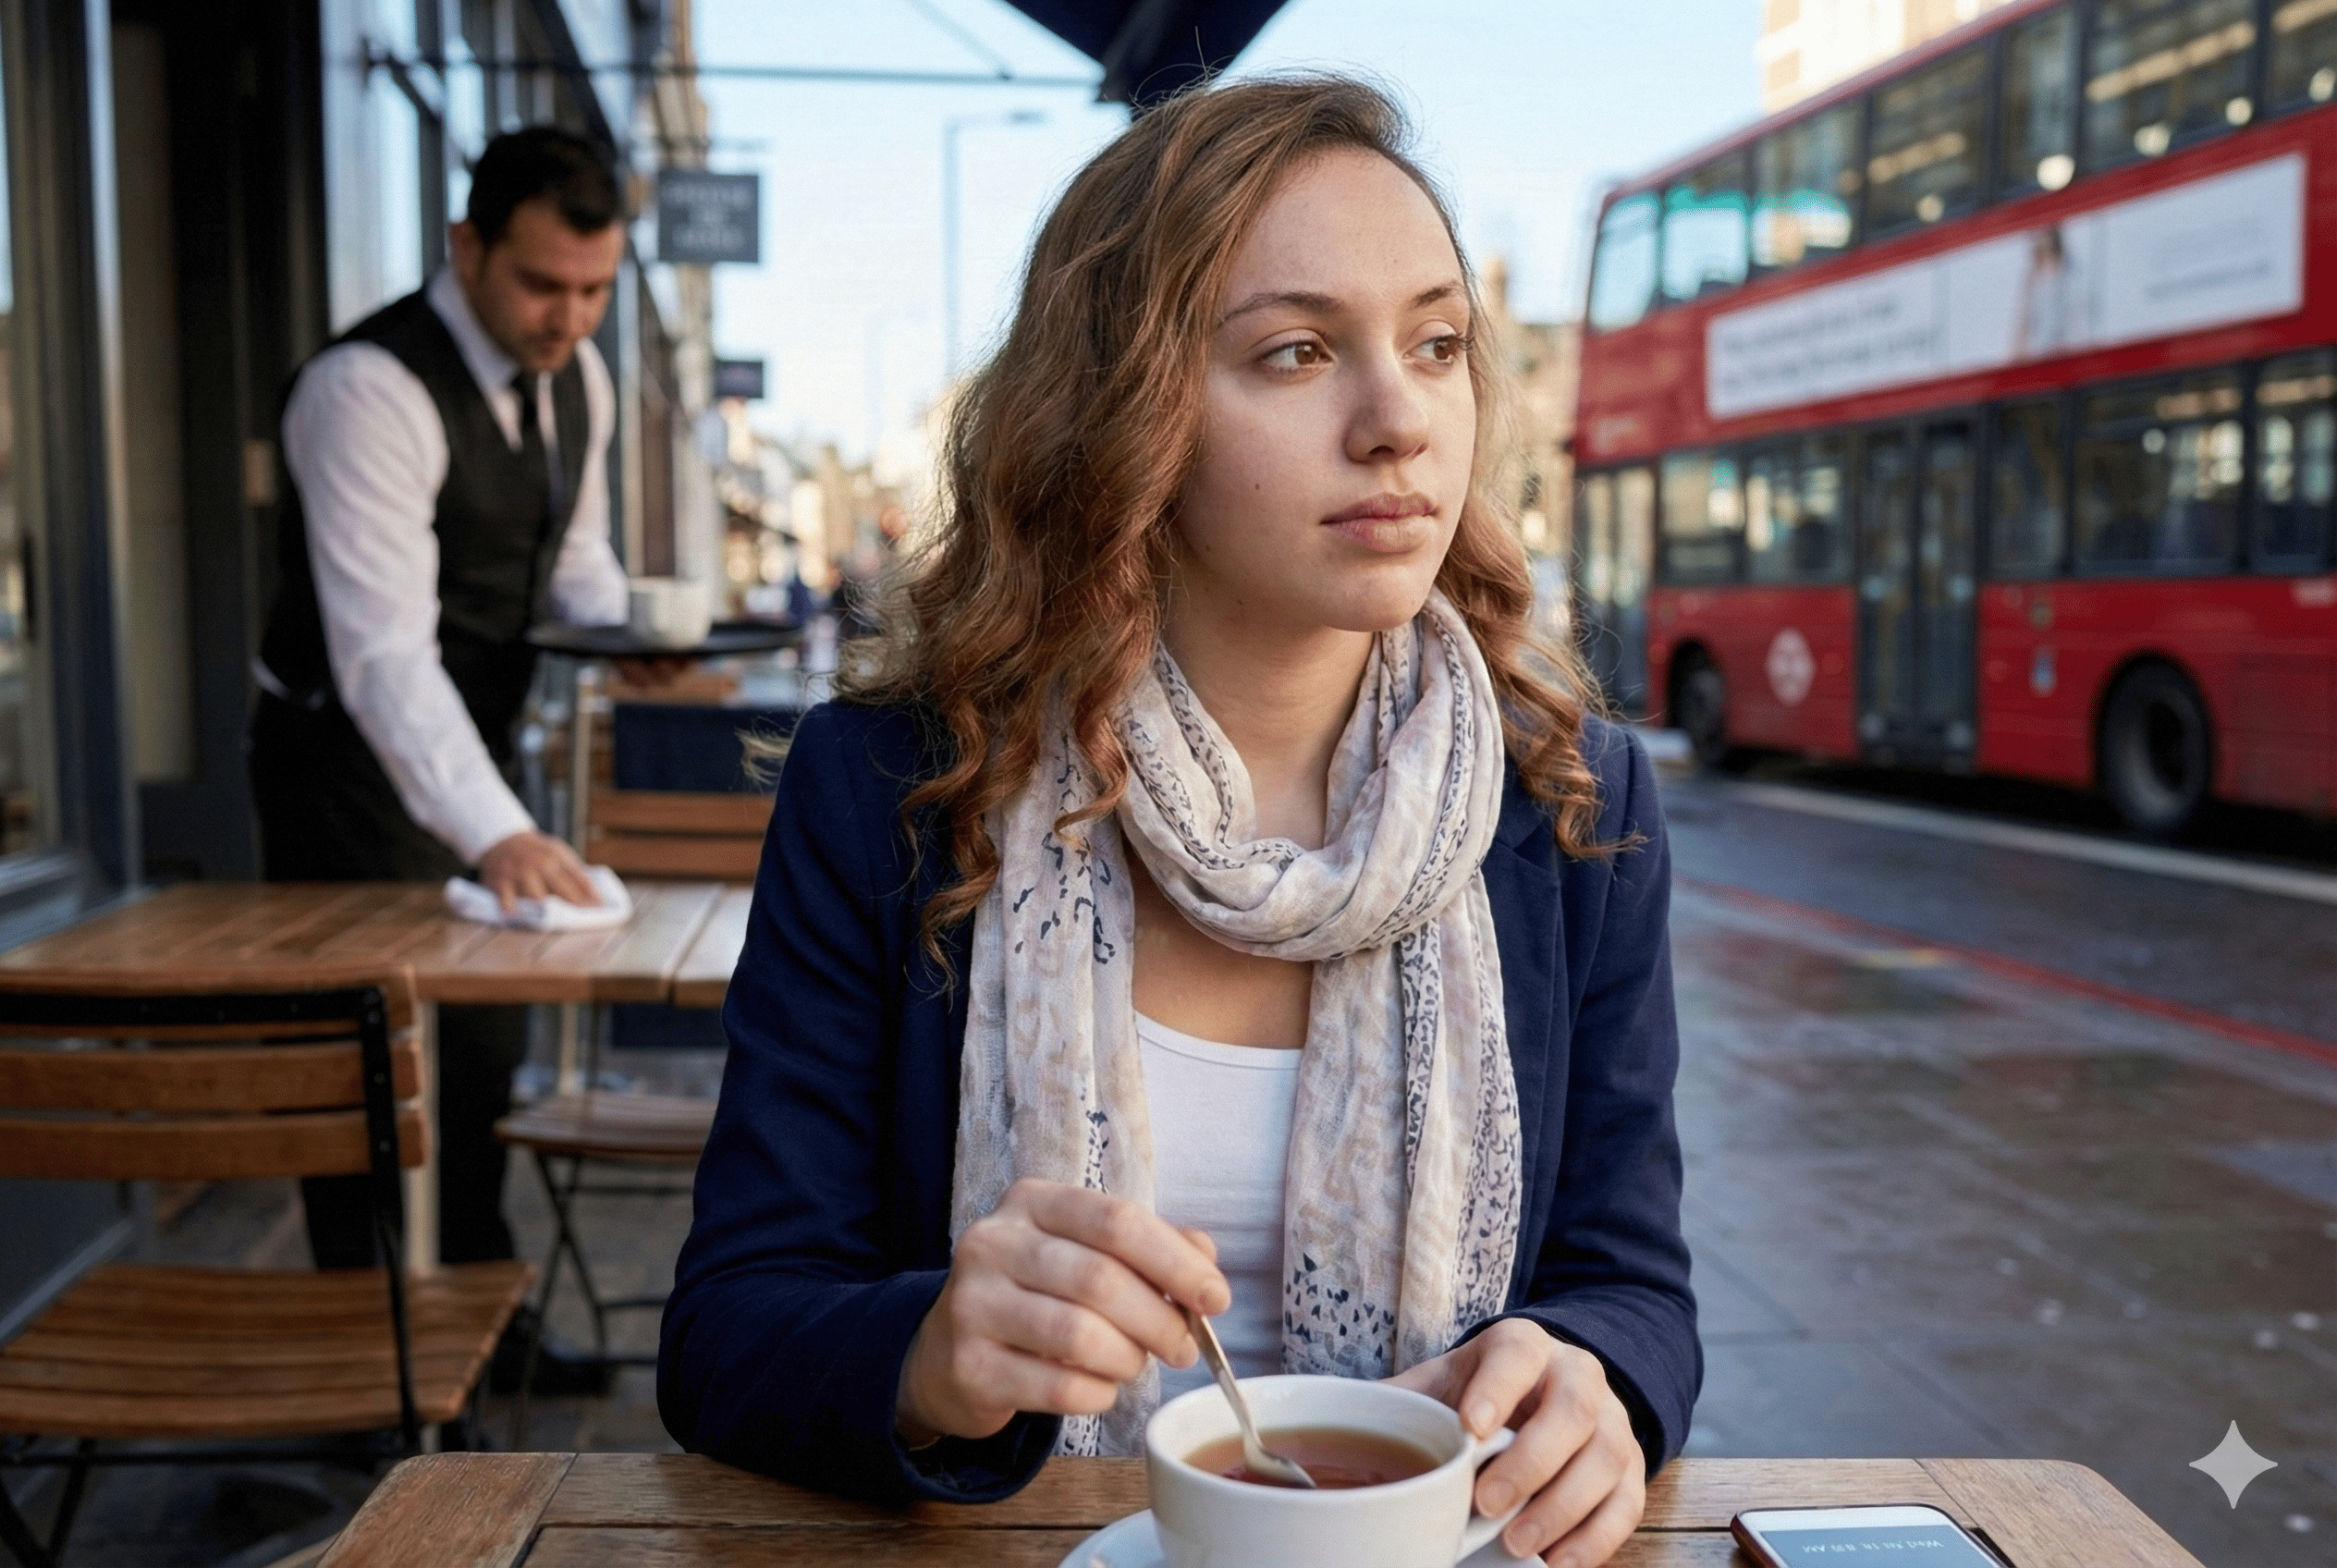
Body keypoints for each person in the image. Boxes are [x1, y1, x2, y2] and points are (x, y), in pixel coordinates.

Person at [659, 77, 1697, 1567]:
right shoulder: (889, 785)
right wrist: (935, 1354)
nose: (1400, 421)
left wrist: (1598, 1381)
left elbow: (1635, 1288)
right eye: (1295, 352)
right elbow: (726, 1333)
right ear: (1123, 413)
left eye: (1437, 345)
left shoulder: (1571, 802)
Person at [250, 128, 627, 1378]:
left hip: (478, 756)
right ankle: (369, 1368)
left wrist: (634, 638)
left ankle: (477, 1336)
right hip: (341, 770)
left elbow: (572, 566)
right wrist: (501, 830)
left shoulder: (580, 379)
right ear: (466, 247)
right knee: (364, 1071)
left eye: (593, 289)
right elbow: (382, 660)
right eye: (541, 284)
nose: (567, 318)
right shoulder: (367, 390)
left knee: (478, 1060)